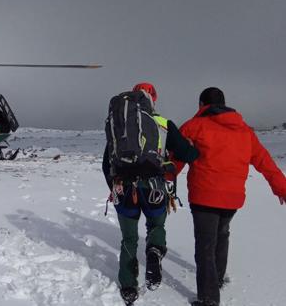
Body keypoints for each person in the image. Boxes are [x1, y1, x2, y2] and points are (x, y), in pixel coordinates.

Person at [173, 87, 286, 306]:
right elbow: (266, 164)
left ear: (202, 105)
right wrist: (282, 188)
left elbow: (177, 156)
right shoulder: (244, 131)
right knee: (222, 234)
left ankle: (209, 299)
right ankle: (217, 279)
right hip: (232, 199)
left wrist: (166, 177)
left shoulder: (193, 126)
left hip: (204, 195)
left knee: (205, 244)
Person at [102, 82, 199, 305]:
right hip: (154, 187)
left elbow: (106, 164)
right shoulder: (163, 124)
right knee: (156, 226)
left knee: (129, 238)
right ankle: (154, 251)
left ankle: (128, 288)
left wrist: (114, 187)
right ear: (152, 99)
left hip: (123, 187)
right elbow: (189, 154)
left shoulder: (120, 126)